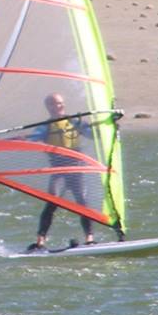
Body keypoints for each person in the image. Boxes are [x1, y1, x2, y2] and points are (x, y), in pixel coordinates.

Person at [26, 92, 96, 251]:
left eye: (60, 103)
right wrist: (24, 139)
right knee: (52, 202)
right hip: (58, 169)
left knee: (82, 203)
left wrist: (108, 127)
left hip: (75, 168)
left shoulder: (74, 121)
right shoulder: (45, 126)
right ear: (48, 107)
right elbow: (34, 138)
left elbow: (93, 135)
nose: (58, 106)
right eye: (53, 104)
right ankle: (40, 242)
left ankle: (90, 239)